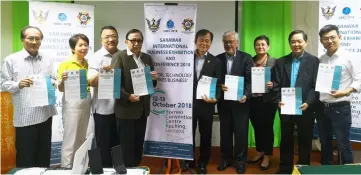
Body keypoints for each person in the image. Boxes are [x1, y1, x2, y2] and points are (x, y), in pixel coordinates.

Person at [1, 26, 57, 168]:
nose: (34, 41)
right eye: (30, 38)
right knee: (26, 157)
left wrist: (55, 83)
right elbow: (2, 84)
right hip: (25, 117)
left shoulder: (48, 58)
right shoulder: (11, 60)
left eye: (37, 38)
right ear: (22, 39)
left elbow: (53, 79)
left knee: (44, 155)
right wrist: (18, 84)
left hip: (45, 114)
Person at [274, 30, 319, 174]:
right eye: (293, 41)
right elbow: (276, 84)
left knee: (304, 138)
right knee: (286, 138)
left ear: (305, 42)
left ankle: (303, 168)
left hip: (305, 106)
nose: (296, 44)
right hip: (285, 106)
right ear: (289, 43)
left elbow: (315, 86)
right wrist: (278, 100)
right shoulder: (281, 61)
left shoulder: (314, 61)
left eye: (299, 41)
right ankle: (285, 167)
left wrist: (309, 102)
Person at [111, 29, 158, 167]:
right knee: (127, 147)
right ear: (126, 42)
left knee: (138, 145)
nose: (136, 43)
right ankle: (127, 170)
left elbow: (151, 85)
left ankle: (136, 168)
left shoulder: (147, 58)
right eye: (133, 40)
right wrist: (127, 97)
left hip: (142, 110)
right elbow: (114, 85)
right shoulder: (119, 57)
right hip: (126, 110)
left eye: (139, 40)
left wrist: (153, 79)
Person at [318, 24, 361, 165]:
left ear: (340, 37)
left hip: (340, 107)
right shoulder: (321, 59)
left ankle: (348, 172)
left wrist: (346, 91)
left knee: (343, 144)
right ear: (321, 41)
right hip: (322, 107)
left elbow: (358, 79)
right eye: (325, 38)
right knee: (325, 142)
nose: (329, 41)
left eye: (332, 37)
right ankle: (326, 170)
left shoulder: (349, 57)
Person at [183, 29, 222, 174]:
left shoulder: (216, 61)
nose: (204, 43)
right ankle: (189, 159)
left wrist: (216, 98)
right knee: (189, 133)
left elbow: (219, 84)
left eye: (207, 40)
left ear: (210, 43)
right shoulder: (186, 58)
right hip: (188, 104)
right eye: (201, 40)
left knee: (205, 134)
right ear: (195, 40)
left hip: (206, 104)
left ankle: (203, 162)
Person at [216, 30, 253, 174]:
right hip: (224, 103)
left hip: (241, 103)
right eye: (226, 42)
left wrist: (246, 94)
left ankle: (240, 161)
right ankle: (225, 159)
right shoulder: (218, 59)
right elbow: (215, 81)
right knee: (225, 133)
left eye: (231, 41)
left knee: (241, 133)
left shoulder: (246, 58)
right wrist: (220, 86)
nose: (228, 44)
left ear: (237, 43)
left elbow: (250, 81)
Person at [88, 26, 120, 167]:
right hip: (103, 109)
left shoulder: (123, 55)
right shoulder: (96, 57)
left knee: (119, 144)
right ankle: (105, 170)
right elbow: (91, 82)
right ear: (101, 40)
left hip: (122, 109)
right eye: (107, 37)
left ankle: (119, 169)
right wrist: (102, 73)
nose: (111, 39)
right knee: (104, 144)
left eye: (113, 36)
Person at [58, 33, 92, 167]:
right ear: (73, 48)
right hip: (72, 102)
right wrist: (63, 81)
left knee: (81, 137)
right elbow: (61, 88)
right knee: (70, 138)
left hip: (86, 100)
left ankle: (78, 167)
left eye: (86, 45)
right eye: (80, 45)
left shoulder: (86, 63)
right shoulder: (65, 63)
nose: (84, 48)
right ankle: (66, 168)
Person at [247, 35, 278, 170]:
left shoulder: (275, 62)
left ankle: (267, 155)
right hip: (253, 99)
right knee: (257, 126)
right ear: (254, 47)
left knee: (267, 127)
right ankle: (260, 151)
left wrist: (273, 84)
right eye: (257, 44)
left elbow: (280, 80)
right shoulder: (249, 61)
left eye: (263, 44)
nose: (260, 47)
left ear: (268, 46)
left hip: (268, 101)